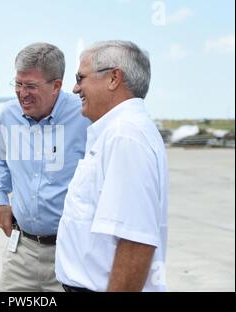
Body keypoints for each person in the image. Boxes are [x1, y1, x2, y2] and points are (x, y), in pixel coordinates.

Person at [56, 40, 169, 292]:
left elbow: (136, 241)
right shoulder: (117, 131)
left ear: (113, 78)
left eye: (80, 77)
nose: (75, 88)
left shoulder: (125, 136)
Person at [0, 42, 90, 291]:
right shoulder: (8, 114)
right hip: (21, 251)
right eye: (18, 84)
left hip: (71, 253)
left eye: (31, 86)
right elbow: (3, 162)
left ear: (56, 85)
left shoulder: (85, 117)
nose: (22, 93)